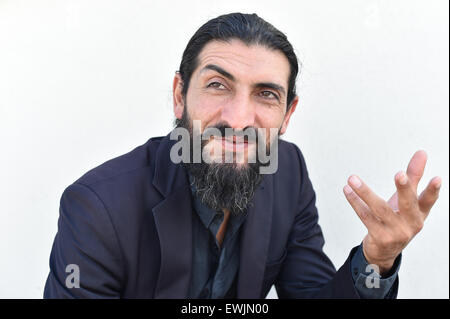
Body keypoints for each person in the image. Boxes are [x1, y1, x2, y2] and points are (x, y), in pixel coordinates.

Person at [44, 12, 442, 299]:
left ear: (287, 115)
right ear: (180, 96)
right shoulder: (97, 207)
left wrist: (378, 259)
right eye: (218, 85)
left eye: (266, 95)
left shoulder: (289, 175)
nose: (237, 120)